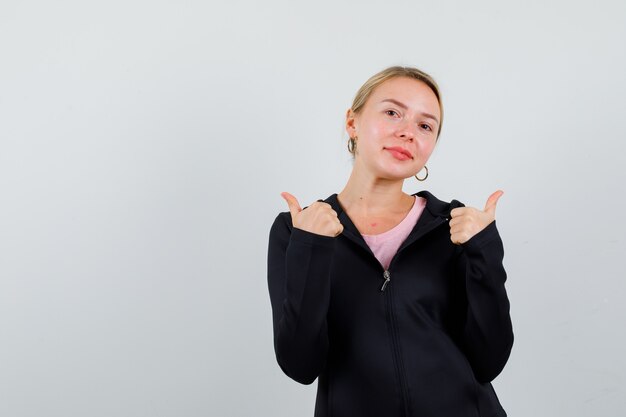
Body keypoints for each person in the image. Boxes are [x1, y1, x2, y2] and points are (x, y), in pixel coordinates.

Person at [266, 65, 513, 417]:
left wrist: (485, 251)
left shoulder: (456, 226)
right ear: (352, 123)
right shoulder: (298, 230)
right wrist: (312, 248)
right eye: (393, 112)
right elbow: (300, 365)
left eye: (425, 125)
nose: (408, 132)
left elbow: (489, 361)